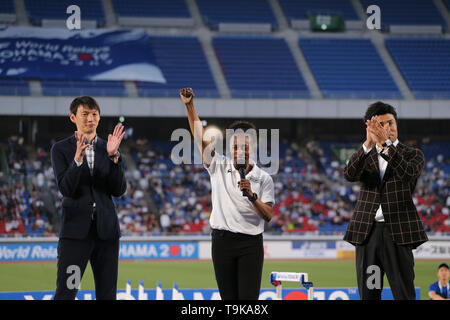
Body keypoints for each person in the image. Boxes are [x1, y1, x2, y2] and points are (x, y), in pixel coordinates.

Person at [180, 87, 275, 300]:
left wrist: (252, 196)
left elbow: (268, 215)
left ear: (254, 146)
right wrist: (190, 106)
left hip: (251, 244)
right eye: (236, 146)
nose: (240, 150)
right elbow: (200, 138)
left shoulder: (264, 178)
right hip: (222, 241)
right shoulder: (218, 165)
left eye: (245, 146)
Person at [343, 101, 428, 300]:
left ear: (396, 123)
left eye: (390, 122)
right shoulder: (366, 155)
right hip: (368, 233)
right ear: (372, 128)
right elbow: (349, 174)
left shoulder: (413, 154)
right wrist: (367, 145)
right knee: (369, 293)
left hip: (398, 232)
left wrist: (386, 146)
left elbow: (407, 174)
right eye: (381, 125)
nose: (388, 128)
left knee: (403, 293)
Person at [50, 96, 127, 300]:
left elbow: (119, 190)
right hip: (75, 235)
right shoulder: (61, 149)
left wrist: (114, 157)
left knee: (107, 294)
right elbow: (66, 189)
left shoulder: (110, 147)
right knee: (67, 292)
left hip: (107, 234)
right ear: (73, 117)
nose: (90, 118)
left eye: (94, 114)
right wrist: (77, 159)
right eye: (85, 114)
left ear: (99, 118)